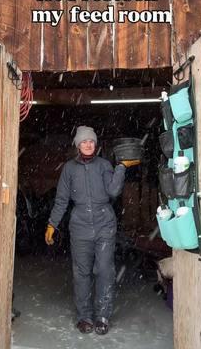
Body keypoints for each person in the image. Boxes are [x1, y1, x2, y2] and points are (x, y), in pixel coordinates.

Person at [45, 126, 140, 335]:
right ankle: (84, 317)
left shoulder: (104, 165)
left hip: (104, 223)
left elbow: (113, 190)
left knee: (105, 270)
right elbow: (61, 199)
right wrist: (52, 224)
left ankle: (103, 316)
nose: (88, 145)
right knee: (82, 273)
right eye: (84, 142)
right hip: (79, 227)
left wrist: (121, 167)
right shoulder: (69, 169)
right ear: (78, 145)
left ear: (95, 145)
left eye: (91, 142)